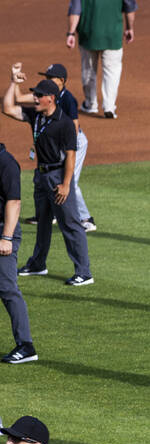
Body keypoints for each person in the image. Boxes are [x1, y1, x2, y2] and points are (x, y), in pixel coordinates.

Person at [1, 75, 92, 286]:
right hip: (41, 176)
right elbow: (7, 107)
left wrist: (67, 184)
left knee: (70, 224)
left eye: (38, 95)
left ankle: (84, 272)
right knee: (43, 222)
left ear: (50, 98)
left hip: (58, 177)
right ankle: (38, 264)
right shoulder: (36, 115)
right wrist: (14, 82)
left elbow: (71, 155)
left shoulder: (65, 123)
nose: (34, 98)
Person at [23, 64, 93, 232]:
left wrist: (65, 148)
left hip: (74, 142)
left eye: (50, 78)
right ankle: (49, 214)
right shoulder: (47, 96)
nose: (47, 80)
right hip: (61, 142)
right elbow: (17, 99)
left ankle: (86, 219)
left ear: (61, 80)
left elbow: (74, 127)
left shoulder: (68, 98)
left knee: (69, 179)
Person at [66, 0, 135, 119]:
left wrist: (71, 33)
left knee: (88, 70)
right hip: (112, 35)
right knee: (112, 71)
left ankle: (90, 103)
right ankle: (109, 106)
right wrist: (130, 28)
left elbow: (75, 10)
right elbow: (130, 7)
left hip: (88, 34)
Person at [0, 138, 34, 364]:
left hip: (3, 231)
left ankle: (26, 345)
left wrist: (6, 237)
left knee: (7, 288)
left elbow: (14, 202)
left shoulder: (6, 163)